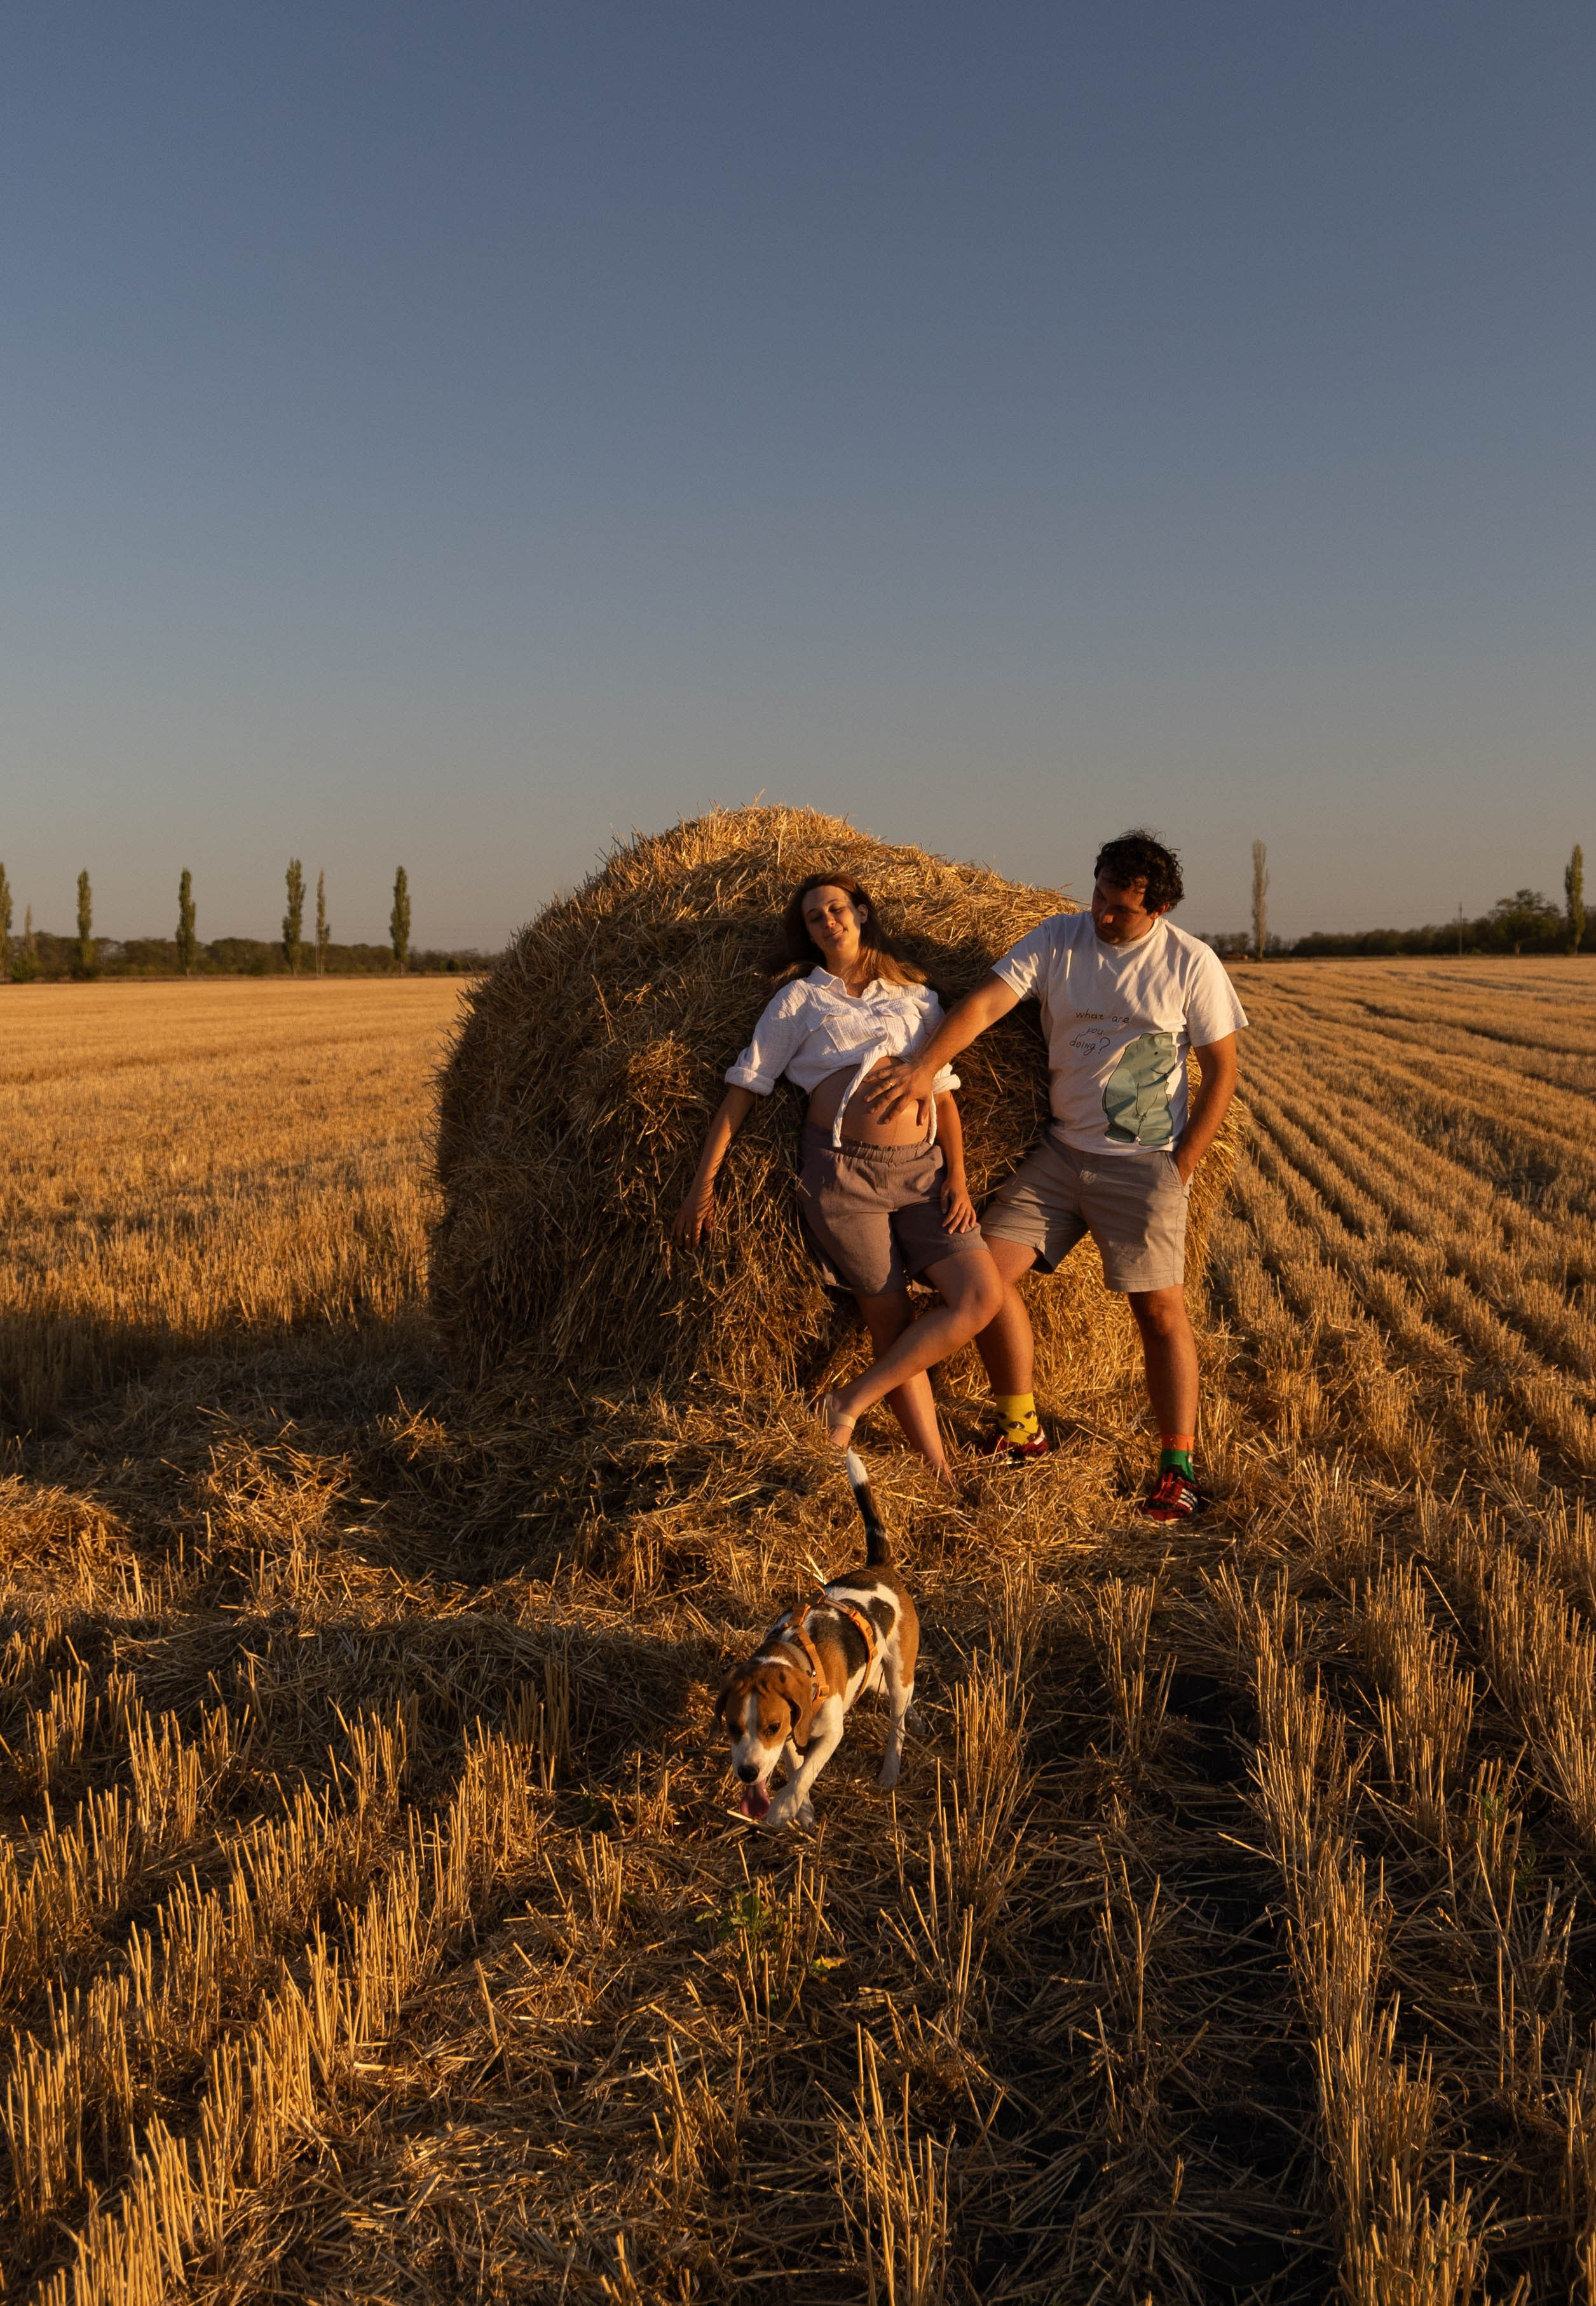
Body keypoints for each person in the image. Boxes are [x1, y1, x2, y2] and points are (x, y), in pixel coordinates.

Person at [865, 829, 1245, 1522]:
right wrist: (923, 1068)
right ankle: (1021, 1431)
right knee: (981, 1278)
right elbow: (985, 1005)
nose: (1102, 914)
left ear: (1158, 910)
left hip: (1143, 1166)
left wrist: (1182, 1165)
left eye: (1120, 908)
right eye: (1099, 895)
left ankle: (1178, 1469)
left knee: (1159, 1314)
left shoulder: (1190, 963)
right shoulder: (1057, 939)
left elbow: (1223, 1071)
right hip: (1062, 1156)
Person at [671, 873, 1004, 1486]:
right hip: (843, 1178)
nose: (828, 921)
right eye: (814, 917)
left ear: (861, 913)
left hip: (922, 1174)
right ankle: (939, 1472)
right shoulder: (797, 1002)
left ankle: (845, 1402)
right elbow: (743, 1091)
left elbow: (943, 1091)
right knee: (890, 1322)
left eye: (836, 908)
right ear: (807, 932)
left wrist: (957, 1177)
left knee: (981, 1297)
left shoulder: (915, 997)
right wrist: (702, 1187)